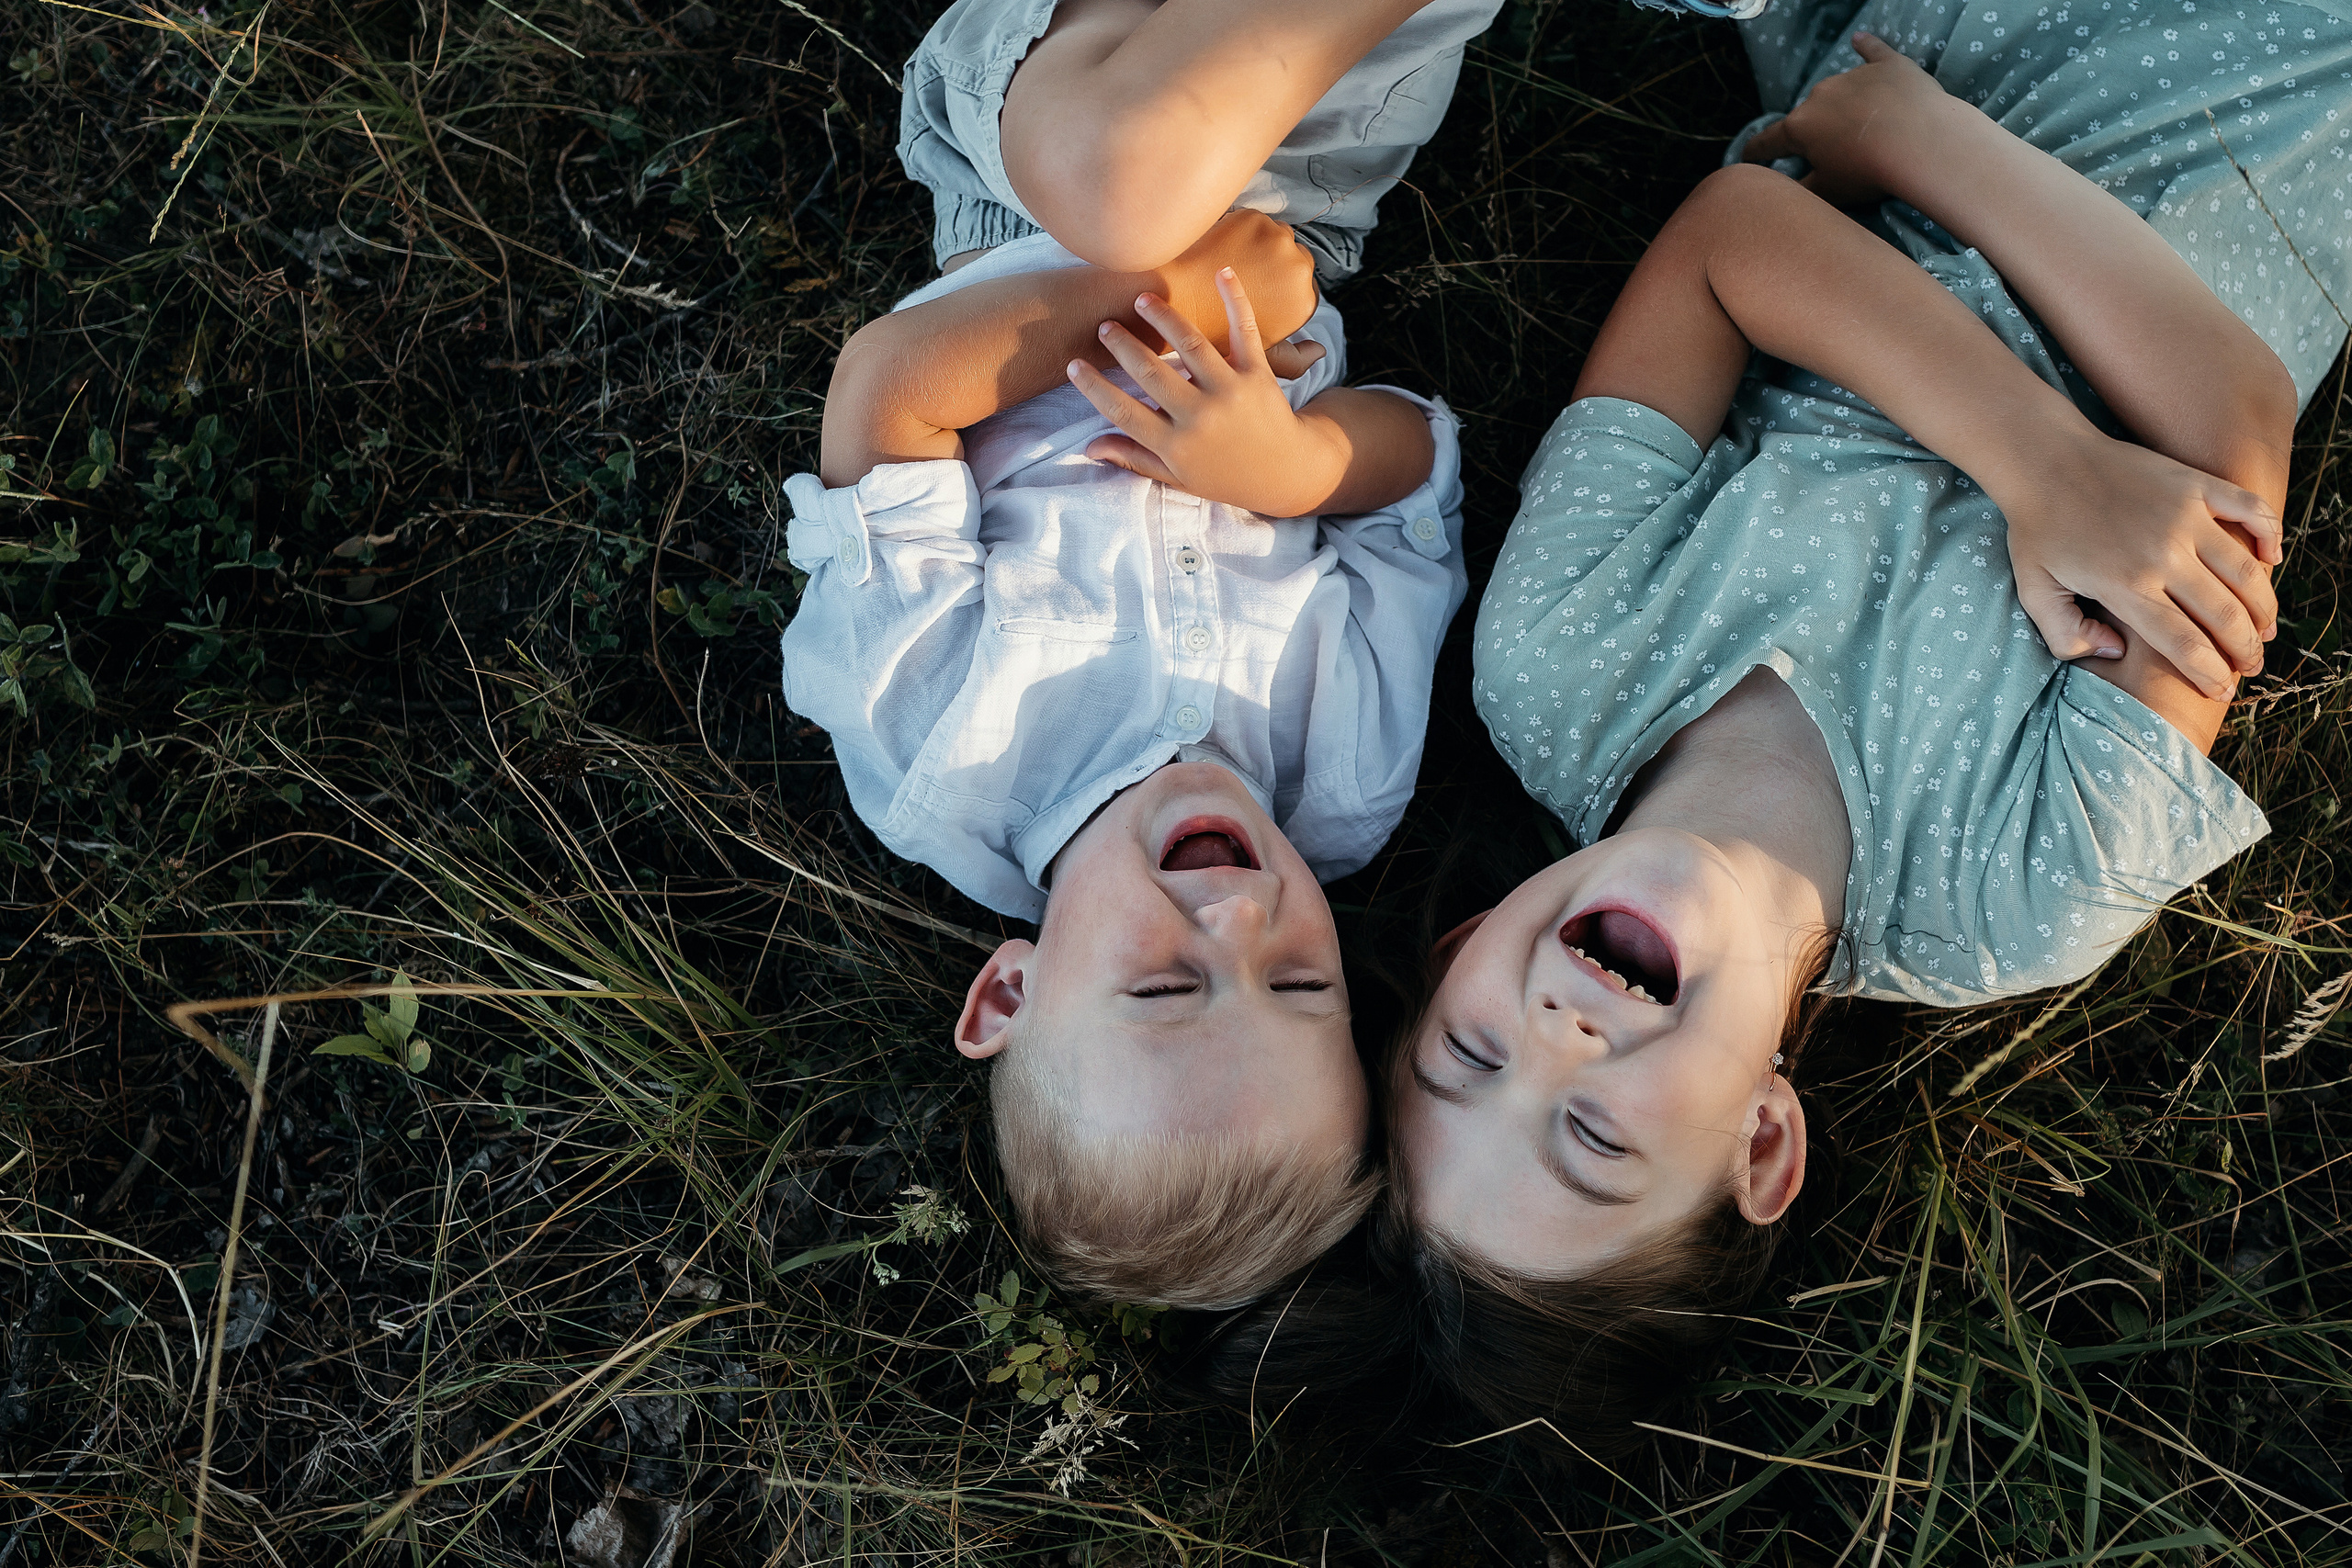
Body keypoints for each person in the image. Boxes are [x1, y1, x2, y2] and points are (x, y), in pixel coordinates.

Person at [1363, 4, 2351, 1456]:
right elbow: (2235, 411)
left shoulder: (1558, 663)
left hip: (1939, 50)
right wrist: (1914, 150)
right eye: (1593, 1136)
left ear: (1457, 953)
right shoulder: (2023, 890)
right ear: (1761, 1140)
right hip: (2254, 108)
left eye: (1467, 1055)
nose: (1555, 1037)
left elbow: (1730, 238)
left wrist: (2050, 464)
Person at [780, 202, 1466, 1308]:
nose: (1241, 921)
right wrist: (1294, 469)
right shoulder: (1350, 774)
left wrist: (1163, 296)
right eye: (1300, 981)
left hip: (1027, 213)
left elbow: (887, 391)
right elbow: (1417, 480)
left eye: (1162, 985)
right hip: (1303, 219)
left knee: (1135, 151)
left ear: (1009, 992)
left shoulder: (936, 750)